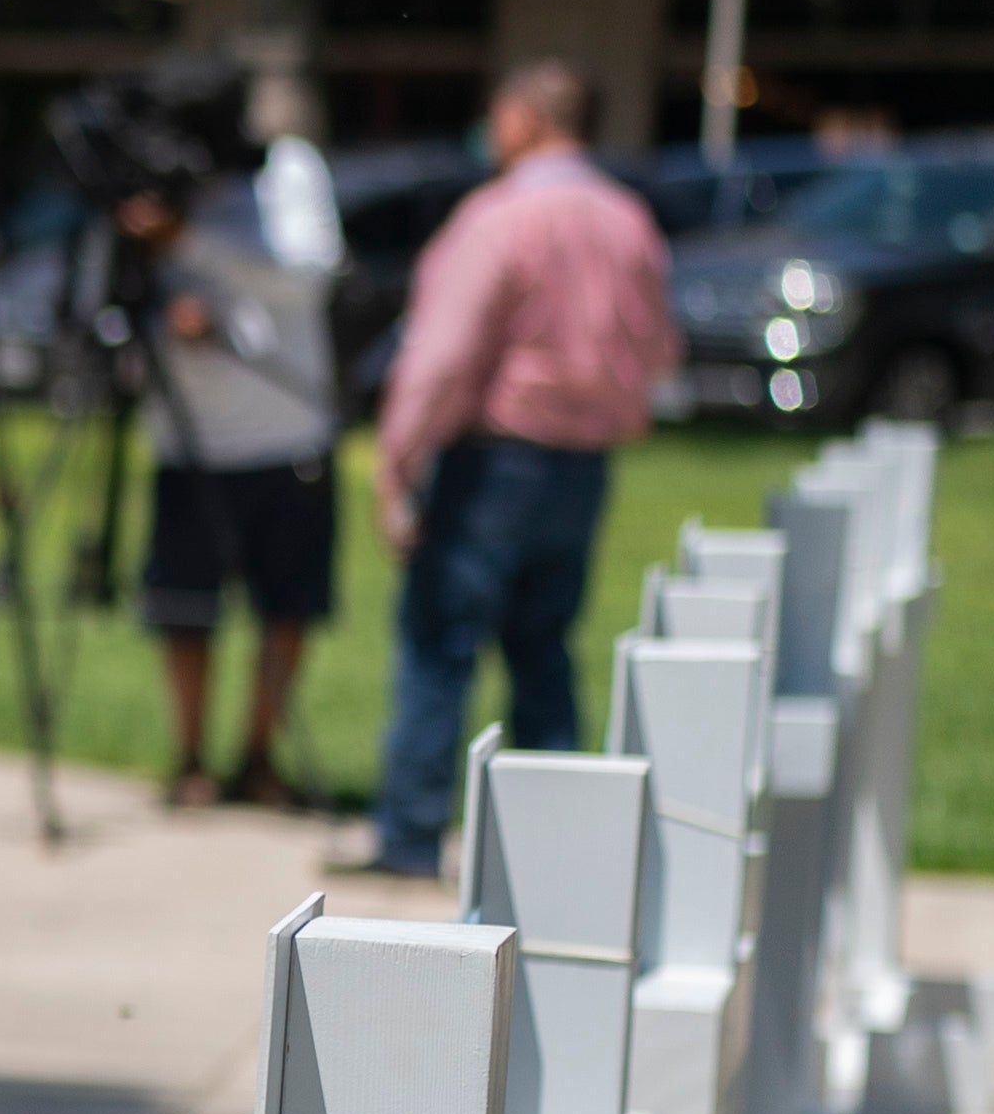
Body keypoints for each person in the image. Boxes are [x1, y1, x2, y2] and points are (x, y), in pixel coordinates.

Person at [356, 60, 667, 880]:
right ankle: (553, 853)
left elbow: (444, 354)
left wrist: (398, 458)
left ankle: (410, 836)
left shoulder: (498, 218)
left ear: (526, 118)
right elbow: (658, 347)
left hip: (493, 462)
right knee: (544, 649)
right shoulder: (628, 219)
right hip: (584, 465)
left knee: (439, 644)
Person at [118, 158, 344, 812]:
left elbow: (309, 277)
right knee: (185, 613)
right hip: (186, 441)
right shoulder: (147, 182)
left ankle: (259, 760)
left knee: (286, 609)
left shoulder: (290, 169)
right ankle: (190, 760)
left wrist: (184, 238)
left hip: (287, 435)